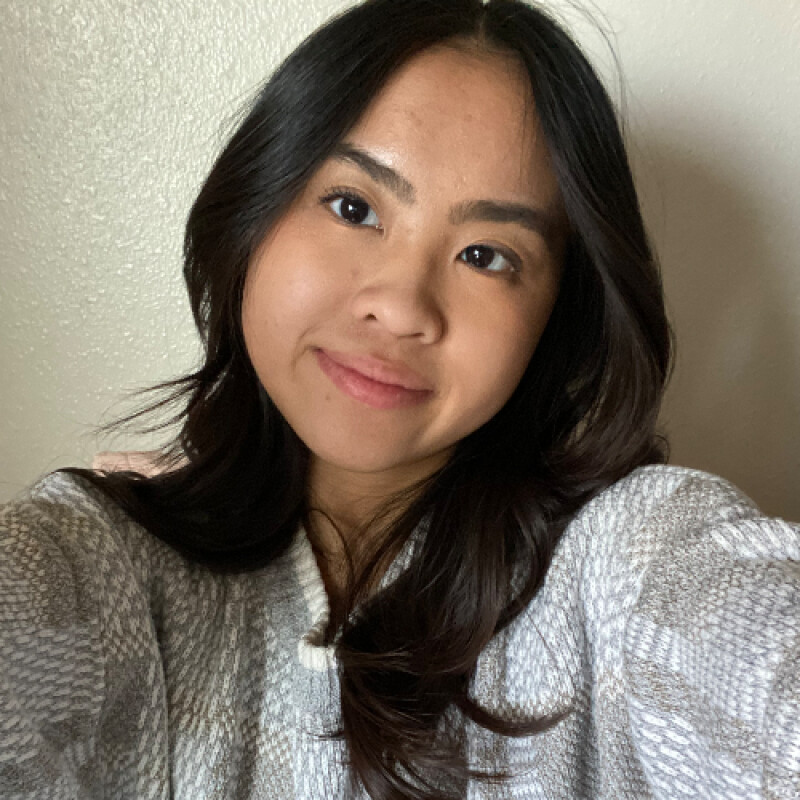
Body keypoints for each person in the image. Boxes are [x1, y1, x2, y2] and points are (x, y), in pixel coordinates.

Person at [1, 0, 797, 798]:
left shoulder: (619, 564)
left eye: (486, 256)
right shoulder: (101, 565)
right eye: (354, 208)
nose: (403, 306)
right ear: (253, 210)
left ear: (556, 317)